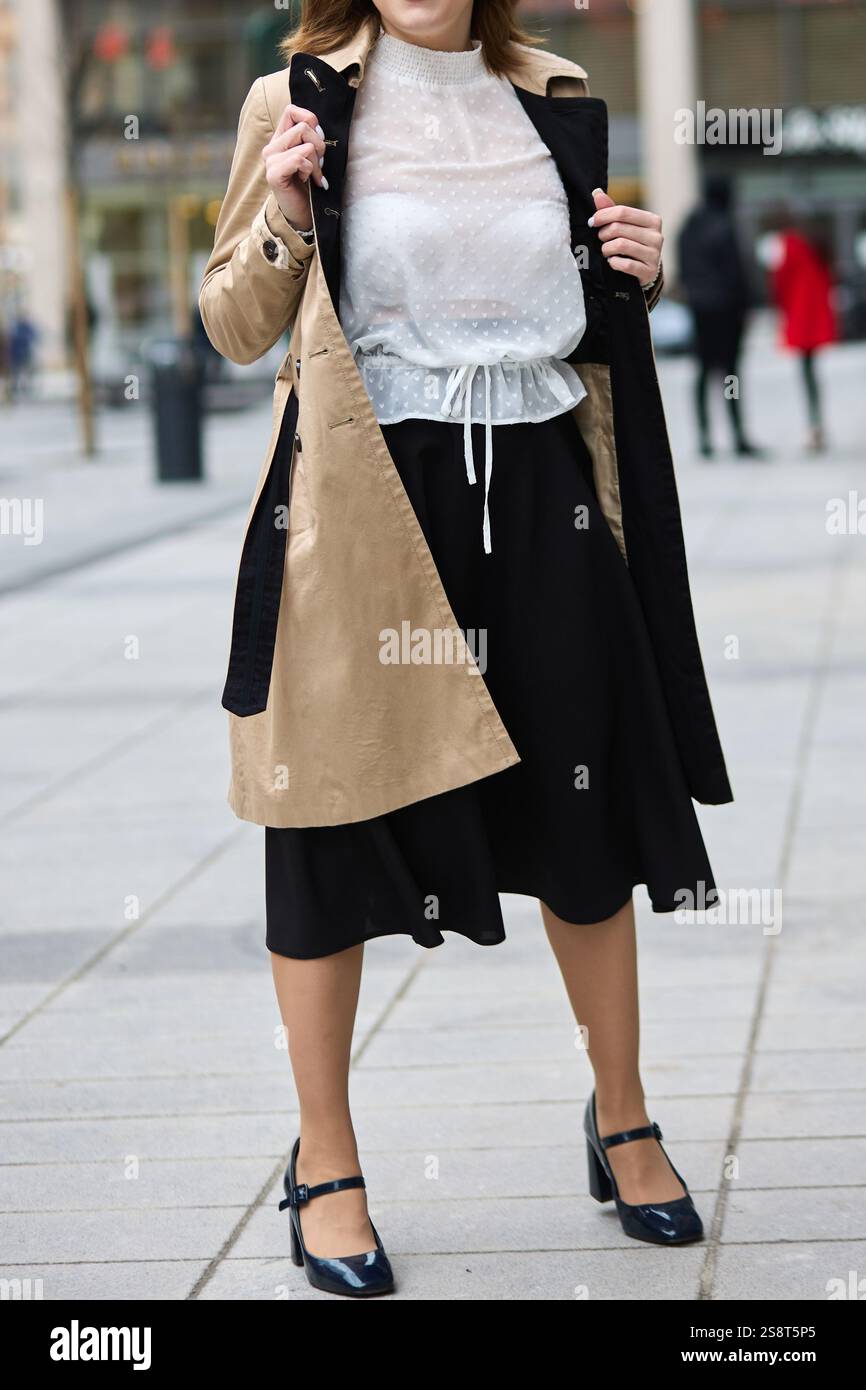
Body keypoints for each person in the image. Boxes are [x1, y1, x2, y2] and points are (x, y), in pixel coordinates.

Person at [200, 0, 732, 1299]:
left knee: (584, 816)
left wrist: (632, 267)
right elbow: (230, 323)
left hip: (542, 484)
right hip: (371, 494)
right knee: (323, 824)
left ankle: (621, 1119)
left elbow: (576, 309)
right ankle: (326, 1161)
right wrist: (282, 210)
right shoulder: (300, 97)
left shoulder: (549, 93)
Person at [678, 173, 762, 458]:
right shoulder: (725, 226)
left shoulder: (689, 227)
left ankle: (704, 438)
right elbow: (737, 273)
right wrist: (748, 306)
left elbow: (684, 271)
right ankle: (737, 435)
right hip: (726, 312)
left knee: (702, 373)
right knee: (730, 375)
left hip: (700, 310)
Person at [769, 219, 838, 453]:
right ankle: (816, 424)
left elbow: (781, 280)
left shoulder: (788, 243)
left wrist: (780, 311)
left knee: (806, 372)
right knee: (811, 371)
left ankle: (814, 426)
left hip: (800, 313)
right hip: (815, 312)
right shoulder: (816, 244)